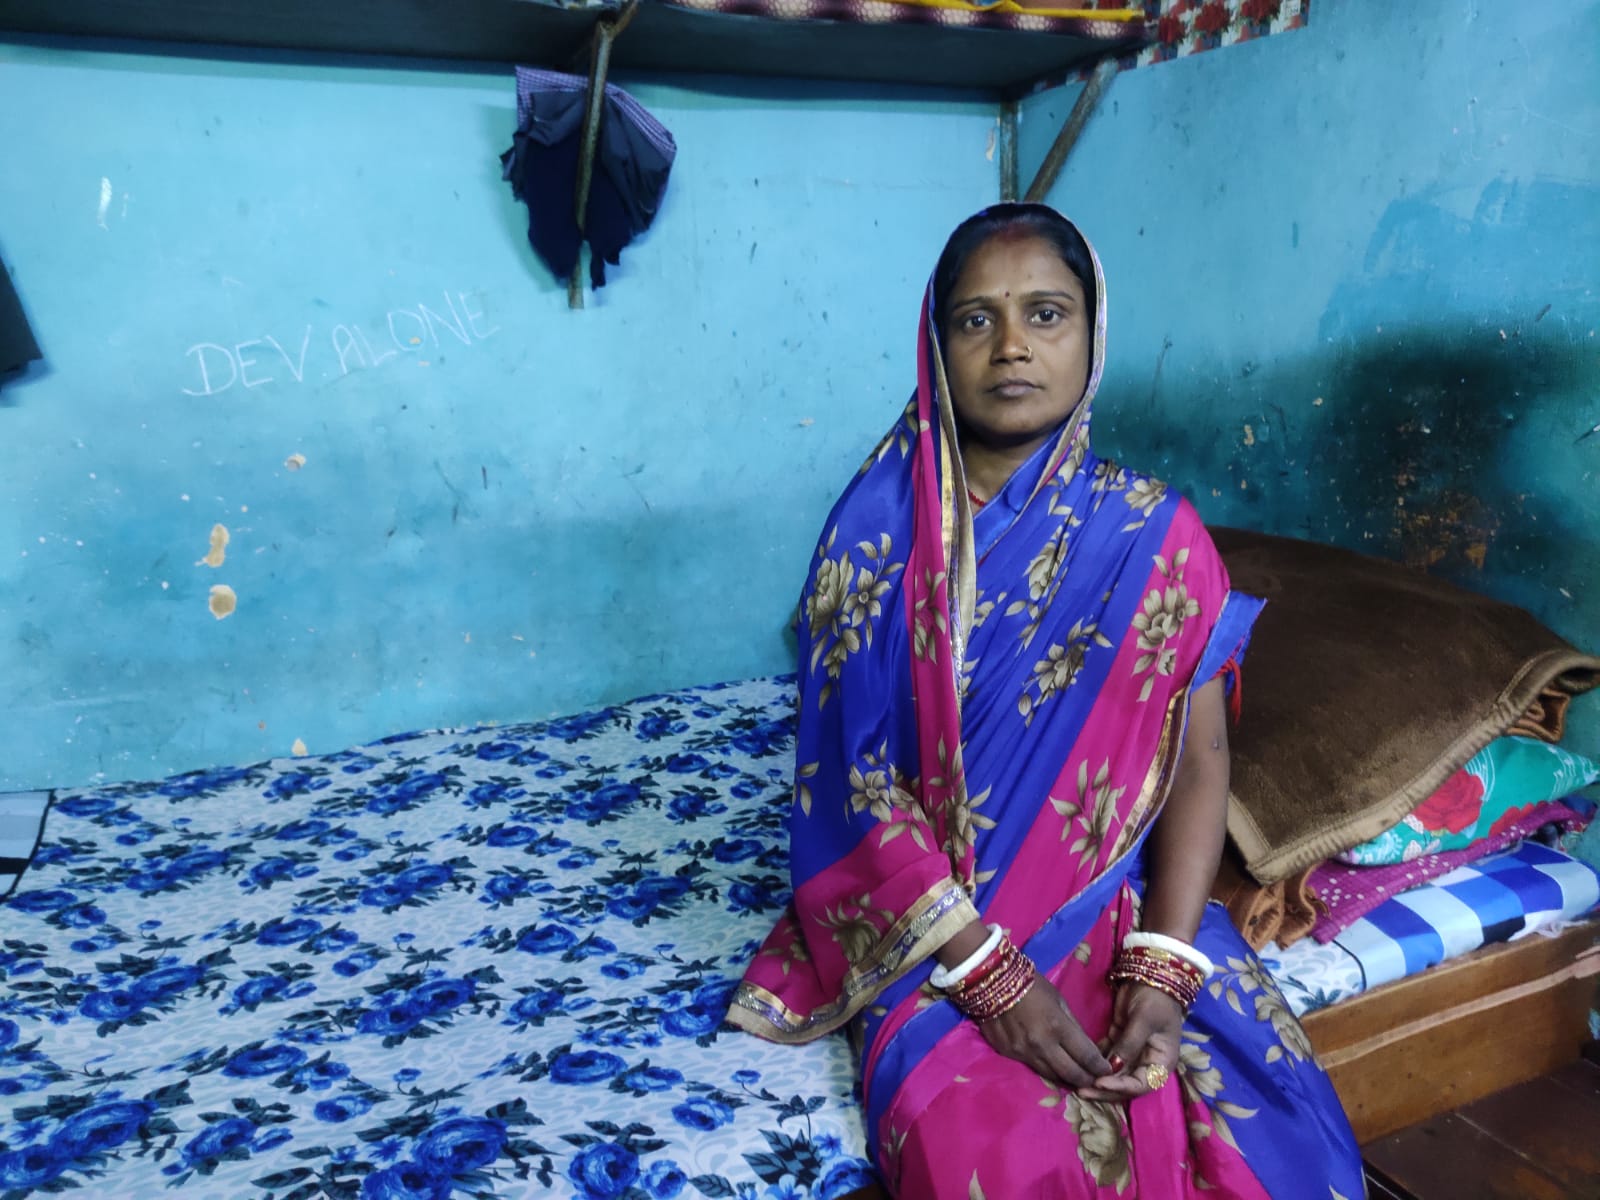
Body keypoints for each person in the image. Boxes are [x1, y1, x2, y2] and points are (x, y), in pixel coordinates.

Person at [727, 204, 1364, 1197]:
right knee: (992, 1151)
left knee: (1275, 1126)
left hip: (1104, 899)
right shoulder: (870, 532)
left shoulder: (1154, 534)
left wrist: (1161, 965)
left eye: (1046, 313)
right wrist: (988, 976)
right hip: (932, 923)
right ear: (934, 343)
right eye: (974, 319)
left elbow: (1198, 758)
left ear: (1092, 333)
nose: (1011, 345)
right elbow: (850, 785)